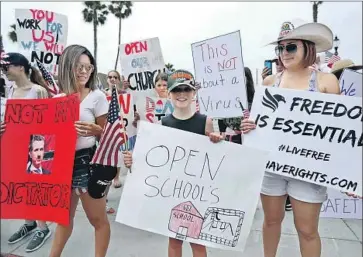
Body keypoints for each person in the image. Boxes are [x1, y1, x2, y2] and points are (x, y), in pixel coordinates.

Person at [241, 19, 340, 257]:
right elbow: (260, 125)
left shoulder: (326, 82)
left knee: (307, 230)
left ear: (308, 47)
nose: (284, 53)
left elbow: (339, 132)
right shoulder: (269, 83)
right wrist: (249, 126)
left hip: (309, 167)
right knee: (271, 222)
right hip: (273, 166)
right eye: (280, 48)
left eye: (291, 47)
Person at [123, 69, 224, 257]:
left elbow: (216, 158)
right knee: (174, 240)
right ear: (169, 94)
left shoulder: (205, 122)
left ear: (194, 93)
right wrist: (132, 160)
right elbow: (153, 159)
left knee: (197, 241)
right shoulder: (164, 124)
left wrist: (218, 141)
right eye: (177, 90)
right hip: (173, 190)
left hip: (198, 191)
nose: (182, 94)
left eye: (186, 89)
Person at [49, 45, 110, 257]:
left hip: (88, 161)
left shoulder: (97, 97)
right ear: (67, 66)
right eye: (79, 66)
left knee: (98, 219)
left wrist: (97, 130)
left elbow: (109, 136)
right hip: (61, 165)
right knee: (63, 219)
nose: (84, 71)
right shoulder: (56, 101)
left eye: (88, 67)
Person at [0, 52, 52, 252]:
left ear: (20, 67)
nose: (5, 70)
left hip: (36, 144)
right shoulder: (10, 91)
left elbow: (49, 121)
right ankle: (29, 222)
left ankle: (42, 227)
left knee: (35, 187)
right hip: (14, 144)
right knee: (21, 185)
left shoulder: (38, 91)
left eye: (7, 66)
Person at [218, 67, 255, 144]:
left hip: (249, 140)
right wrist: (222, 132)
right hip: (230, 141)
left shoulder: (255, 101)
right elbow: (221, 121)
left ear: (248, 80)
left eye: (242, 78)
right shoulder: (226, 102)